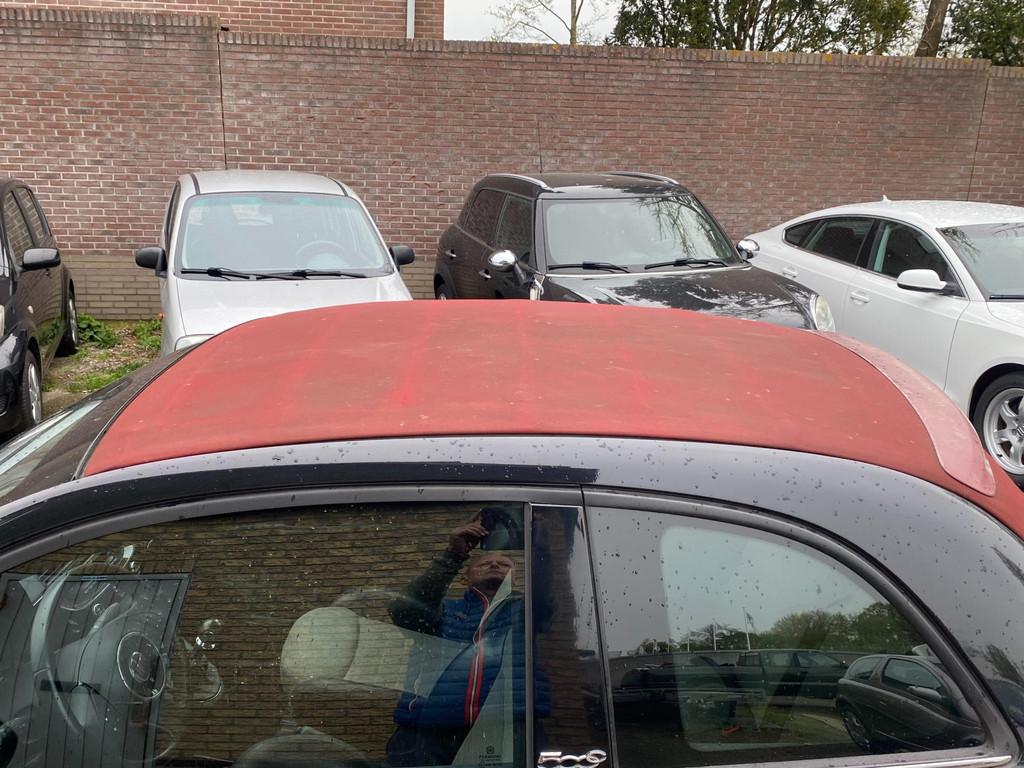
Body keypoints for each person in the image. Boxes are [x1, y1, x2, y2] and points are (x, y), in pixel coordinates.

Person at [386, 509, 548, 767]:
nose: (494, 565)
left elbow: (546, 597)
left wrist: (540, 547)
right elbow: (405, 611)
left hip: (510, 726)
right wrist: (454, 554)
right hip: (429, 730)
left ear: (516, 577)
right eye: (484, 563)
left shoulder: (527, 612)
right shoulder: (444, 611)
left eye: (505, 564)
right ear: (465, 577)